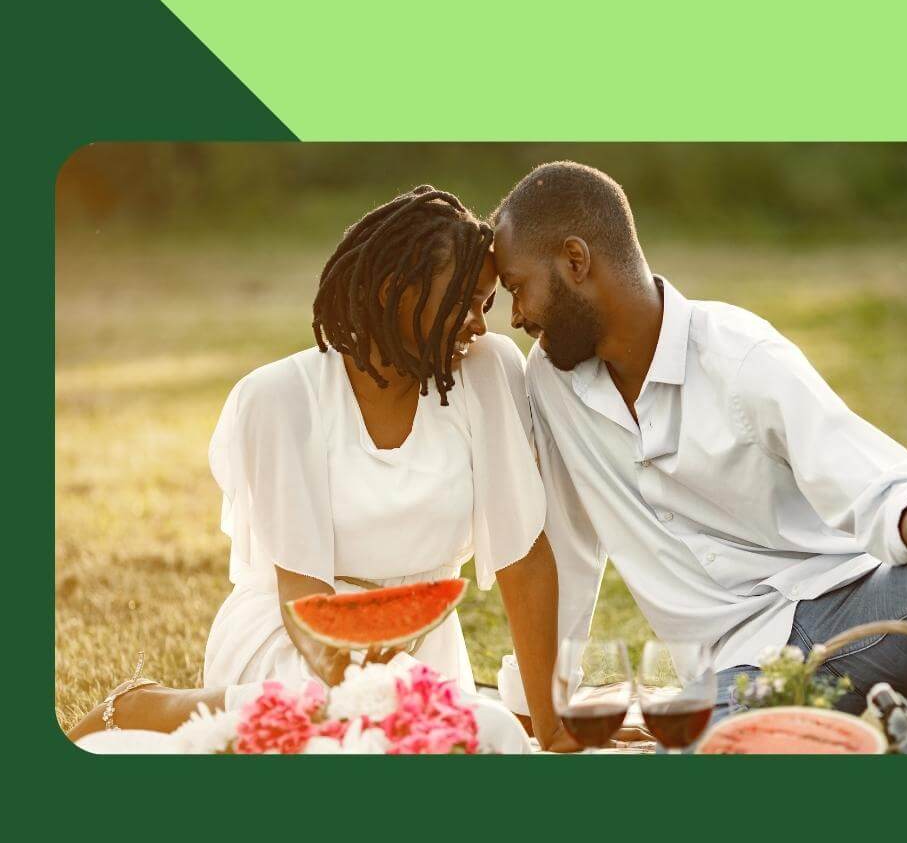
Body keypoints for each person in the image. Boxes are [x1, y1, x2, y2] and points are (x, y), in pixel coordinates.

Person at [490, 161, 907, 745]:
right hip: (728, 680)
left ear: (576, 261)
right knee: (715, 755)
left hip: (856, 626)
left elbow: (856, 467)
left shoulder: (738, 355)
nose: (515, 315)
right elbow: (568, 549)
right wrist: (546, 706)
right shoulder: (552, 385)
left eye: (519, 287)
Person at [69, 185, 573, 751]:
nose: (479, 325)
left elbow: (523, 559)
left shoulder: (488, 371)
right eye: (462, 303)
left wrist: (550, 727)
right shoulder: (281, 397)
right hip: (297, 645)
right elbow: (304, 599)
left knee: (484, 740)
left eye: (484, 304)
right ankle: (155, 706)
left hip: (420, 648)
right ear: (393, 291)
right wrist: (365, 699)